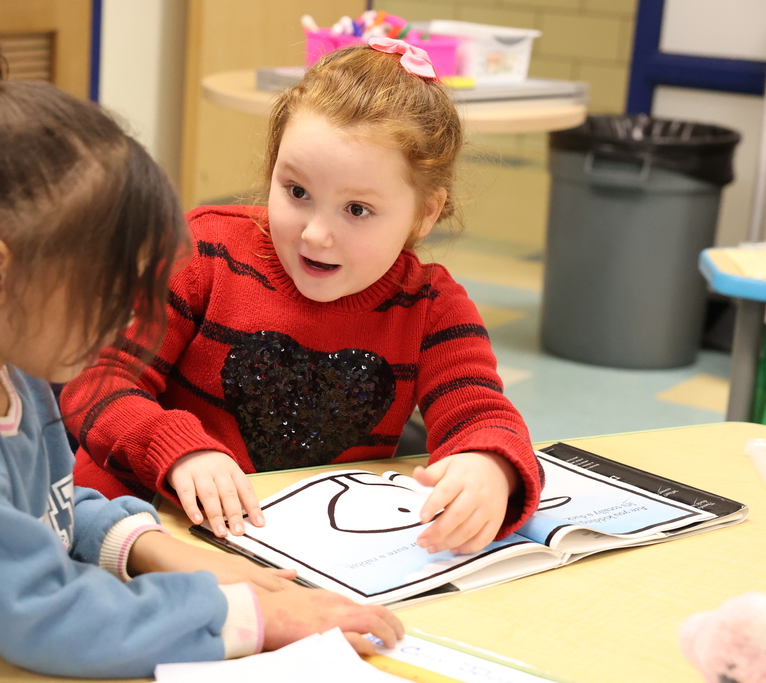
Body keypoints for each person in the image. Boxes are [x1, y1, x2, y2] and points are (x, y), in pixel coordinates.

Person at [0, 17, 402, 683]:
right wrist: (249, 617)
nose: (129, 321)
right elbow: (44, 611)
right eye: (109, 294)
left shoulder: (10, 369)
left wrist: (165, 552)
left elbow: (50, 514)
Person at [61, 38, 545, 556]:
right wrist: (177, 451)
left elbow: (483, 414)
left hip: (305, 549)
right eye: (296, 192)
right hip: (141, 523)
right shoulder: (199, 254)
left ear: (425, 213)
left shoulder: (432, 307)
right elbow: (95, 381)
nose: (315, 234)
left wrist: (490, 466)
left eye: (356, 210)